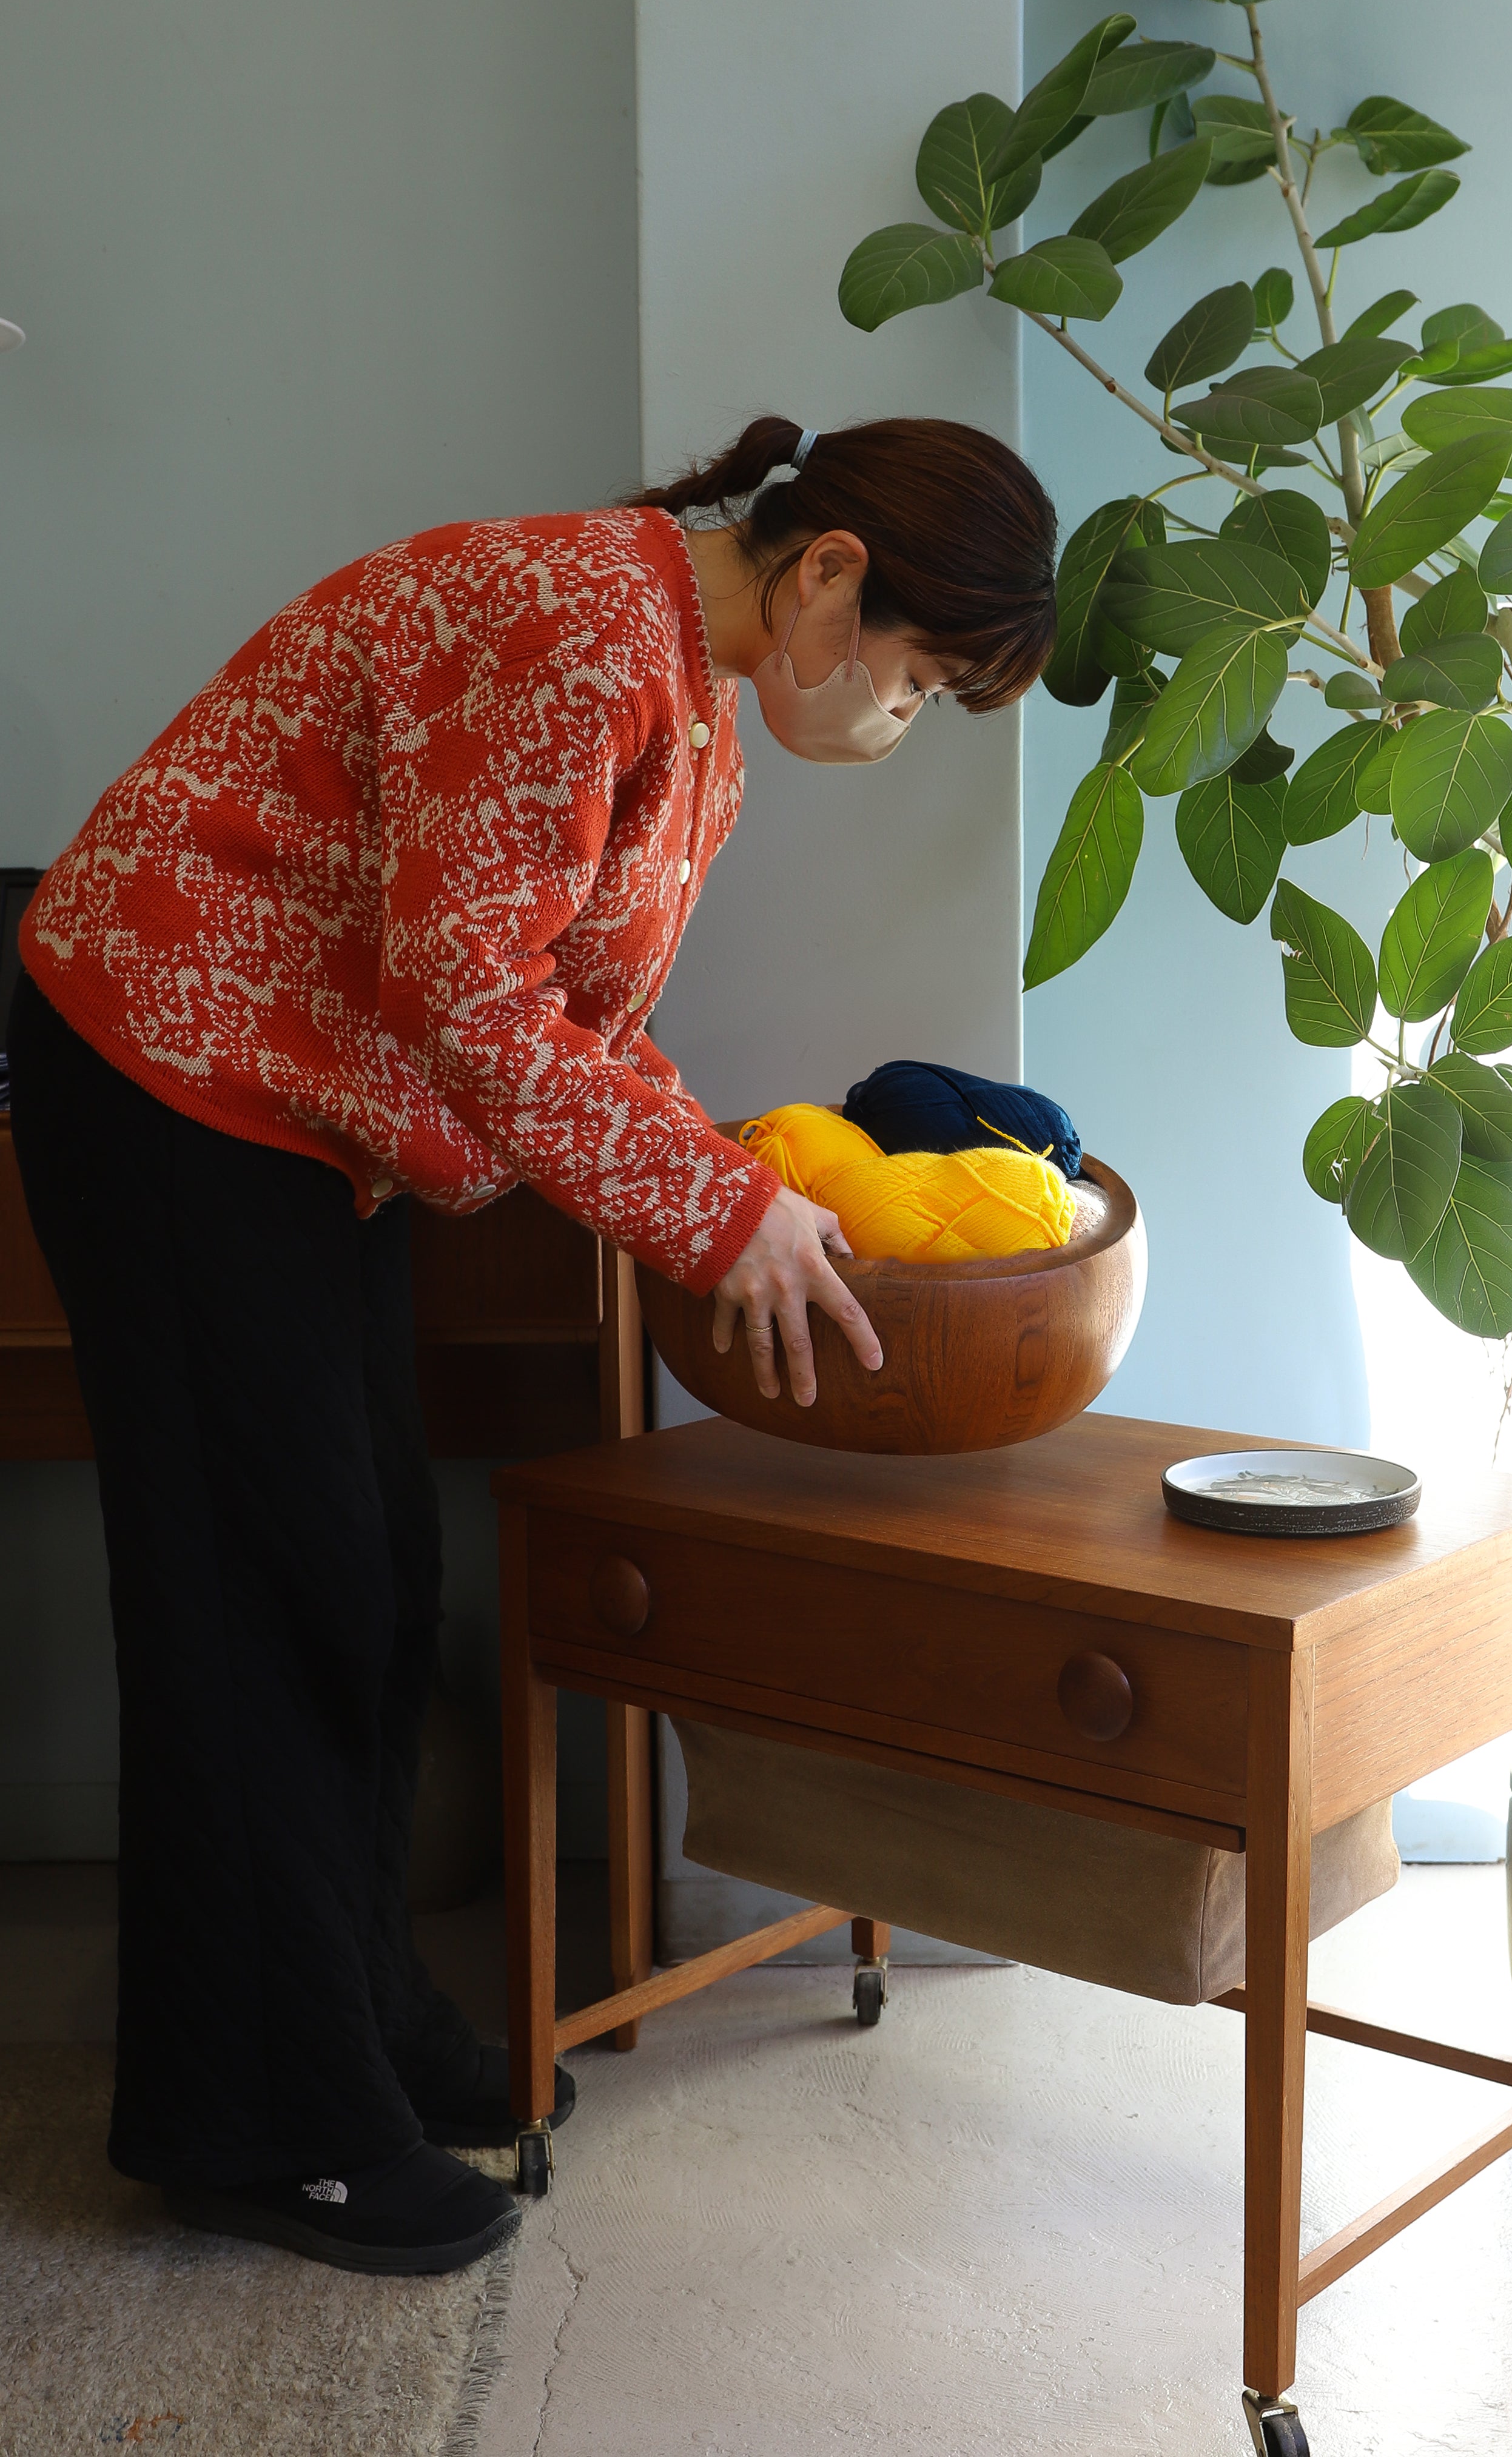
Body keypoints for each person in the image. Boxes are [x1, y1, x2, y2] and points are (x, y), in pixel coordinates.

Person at [7, 415, 1057, 2276]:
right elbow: (468, 998)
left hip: (289, 1106)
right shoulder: (581, 625)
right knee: (259, 1594)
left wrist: (713, 1174)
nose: (895, 719)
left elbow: (569, 1016)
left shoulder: (689, 706)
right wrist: (715, 1210)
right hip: (168, 1069)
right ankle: (263, 2129)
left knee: (379, 1573)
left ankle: (364, 2034)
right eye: (910, 675)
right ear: (828, 575)